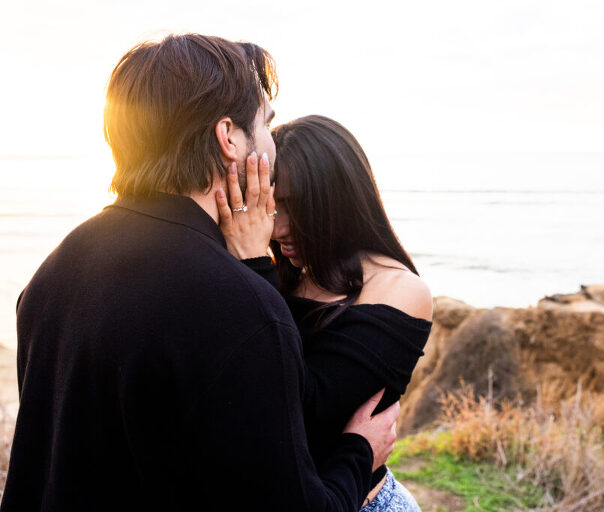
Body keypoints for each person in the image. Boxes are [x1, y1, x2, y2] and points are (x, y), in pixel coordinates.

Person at [1, 35, 399, 511]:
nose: (272, 144)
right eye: (265, 125)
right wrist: (359, 454)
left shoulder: (52, 274)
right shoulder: (240, 307)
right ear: (228, 138)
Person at [217, 115, 433, 511]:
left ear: (337, 200)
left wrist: (251, 265)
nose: (277, 229)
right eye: (269, 205)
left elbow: (299, 413)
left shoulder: (399, 290)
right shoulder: (285, 274)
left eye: (294, 207)